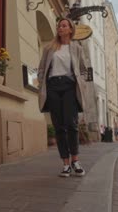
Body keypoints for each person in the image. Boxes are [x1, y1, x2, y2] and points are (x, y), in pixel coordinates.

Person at [38, 17, 88, 177]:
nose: (61, 28)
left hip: (69, 87)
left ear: (70, 29)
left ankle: (75, 160)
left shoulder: (76, 48)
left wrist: (81, 83)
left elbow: (84, 69)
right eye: (59, 26)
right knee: (59, 126)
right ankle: (65, 164)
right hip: (53, 87)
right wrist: (41, 82)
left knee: (71, 124)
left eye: (64, 26)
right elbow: (41, 69)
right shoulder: (49, 48)